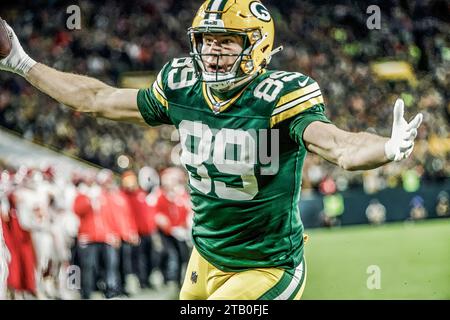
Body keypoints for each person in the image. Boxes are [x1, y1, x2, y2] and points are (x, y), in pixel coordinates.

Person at [0, 0, 423, 300]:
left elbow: (340, 146)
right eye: (206, 40)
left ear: (256, 46)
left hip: (265, 267)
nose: (212, 52)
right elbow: (95, 98)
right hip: (203, 258)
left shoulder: (279, 95)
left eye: (226, 41)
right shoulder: (183, 85)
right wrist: (21, 62)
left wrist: (385, 147)